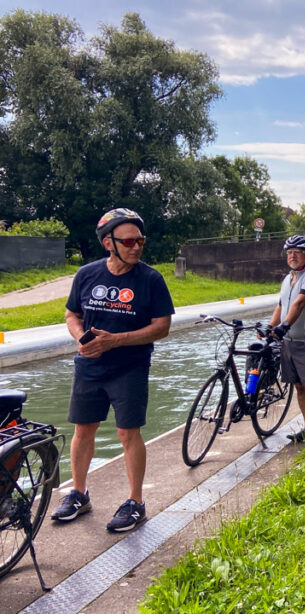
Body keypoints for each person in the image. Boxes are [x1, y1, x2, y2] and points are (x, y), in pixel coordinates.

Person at [52, 208, 174, 532]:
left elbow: (162, 327)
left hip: (130, 368)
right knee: (83, 429)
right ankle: (79, 493)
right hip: (89, 366)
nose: (136, 247)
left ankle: (136, 502)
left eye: (140, 240)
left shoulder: (151, 279)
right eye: (129, 241)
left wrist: (116, 341)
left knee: (127, 433)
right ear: (109, 242)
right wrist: (81, 337)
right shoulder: (87, 275)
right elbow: (71, 314)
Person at [269, 235, 305, 445]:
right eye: (289, 252)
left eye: (297, 252)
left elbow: (300, 303)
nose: (292, 256)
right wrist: (271, 327)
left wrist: (285, 326)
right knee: (298, 386)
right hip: (288, 341)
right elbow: (281, 305)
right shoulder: (287, 278)